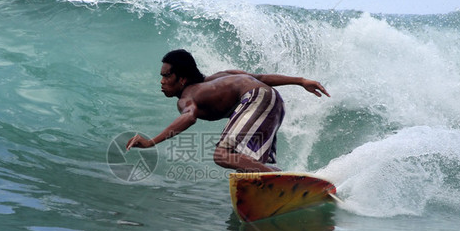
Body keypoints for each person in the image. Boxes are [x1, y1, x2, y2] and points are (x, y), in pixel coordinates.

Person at [126, 49, 329, 172]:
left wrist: (151, 142)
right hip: (274, 101)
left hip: (256, 99)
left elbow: (189, 117)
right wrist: (301, 81)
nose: (161, 81)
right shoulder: (221, 76)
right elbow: (261, 77)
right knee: (248, 164)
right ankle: (273, 181)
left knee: (221, 155)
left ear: (182, 78)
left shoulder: (187, 97)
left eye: (167, 76)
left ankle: (273, 176)